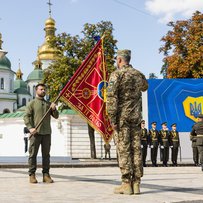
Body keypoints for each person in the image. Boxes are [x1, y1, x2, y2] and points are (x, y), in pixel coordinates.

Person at [107, 49, 148, 195]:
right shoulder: (138, 74)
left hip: (122, 119)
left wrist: (112, 119)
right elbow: (145, 86)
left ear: (119, 60)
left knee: (124, 150)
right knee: (136, 150)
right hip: (136, 118)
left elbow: (111, 98)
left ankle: (126, 184)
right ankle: (136, 184)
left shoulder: (116, 74)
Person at [24, 83, 59, 184]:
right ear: (36, 91)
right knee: (32, 155)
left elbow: (56, 116)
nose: (43, 91)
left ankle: (46, 175)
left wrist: (54, 108)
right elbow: (26, 116)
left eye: (44, 89)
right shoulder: (32, 103)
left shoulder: (48, 104)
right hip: (35, 133)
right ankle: (32, 175)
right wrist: (30, 128)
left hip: (47, 133)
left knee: (46, 155)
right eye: (41, 89)